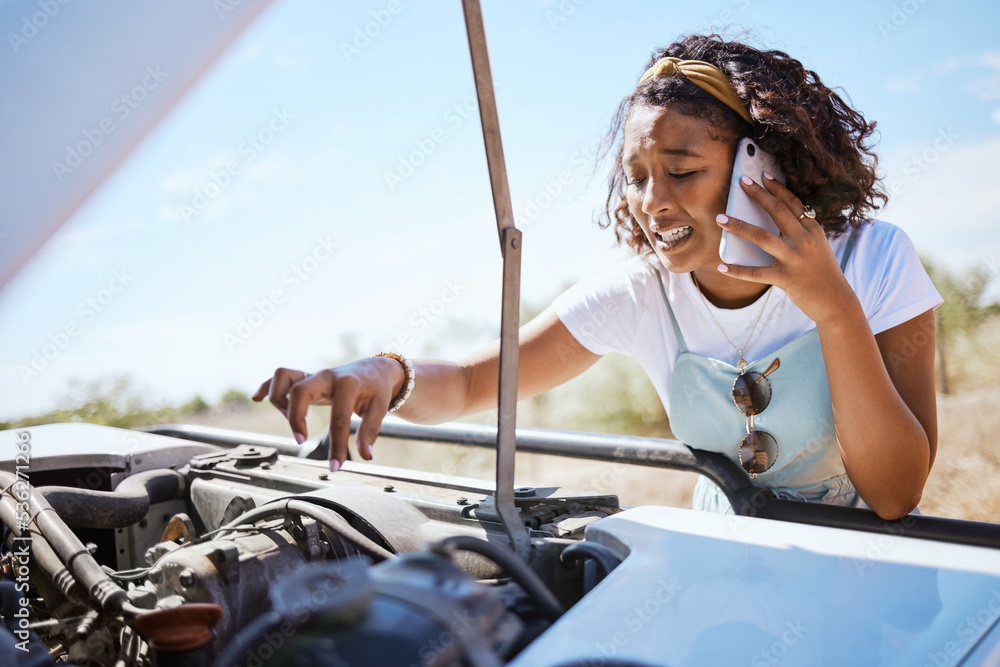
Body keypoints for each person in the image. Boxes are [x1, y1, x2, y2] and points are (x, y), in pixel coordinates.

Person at [253, 34, 941, 521]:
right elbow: (469, 383)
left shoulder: (873, 260)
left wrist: (835, 311)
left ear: (761, 164)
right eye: (637, 178)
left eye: (682, 170)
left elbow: (894, 494)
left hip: (870, 559)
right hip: (728, 559)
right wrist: (385, 372)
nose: (652, 202)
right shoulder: (641, 294)